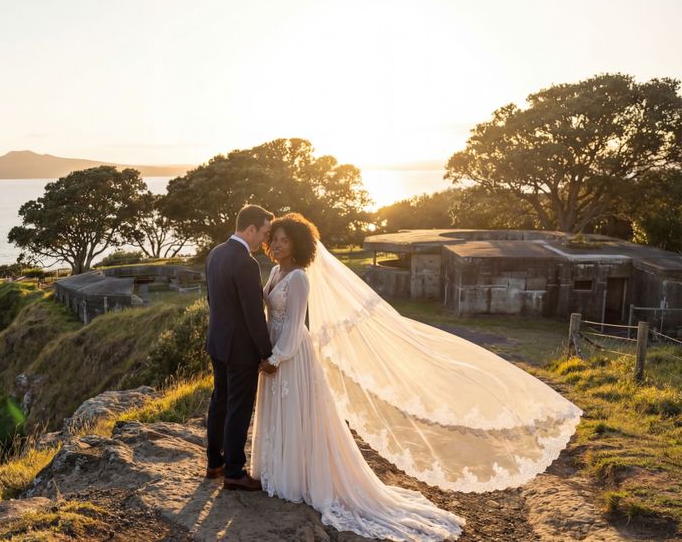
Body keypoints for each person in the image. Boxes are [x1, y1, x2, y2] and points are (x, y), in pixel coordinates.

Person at [249, 213, 583, 541]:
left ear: (298, 244)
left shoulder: (300, 278)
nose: (277, 245)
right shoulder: (276, 271)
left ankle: (296, 480)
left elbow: (295, 325)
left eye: (284, 240)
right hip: (274, 350)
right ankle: (277, 472)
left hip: (291, 355)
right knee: (280, 414)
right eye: (274, 239)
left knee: (295, 415)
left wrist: (277, 357)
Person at [204, 204, 278, 491]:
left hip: (218, 342)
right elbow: (253, 314)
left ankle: (215, 463)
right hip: (240, 349)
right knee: (238, 408)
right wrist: (267, 353)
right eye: (264, 232)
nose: (265, 239)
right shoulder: (247, 263)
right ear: (250, 229)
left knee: (219, 402)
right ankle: (234, 472)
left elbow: (212, 300)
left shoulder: (215, 253)